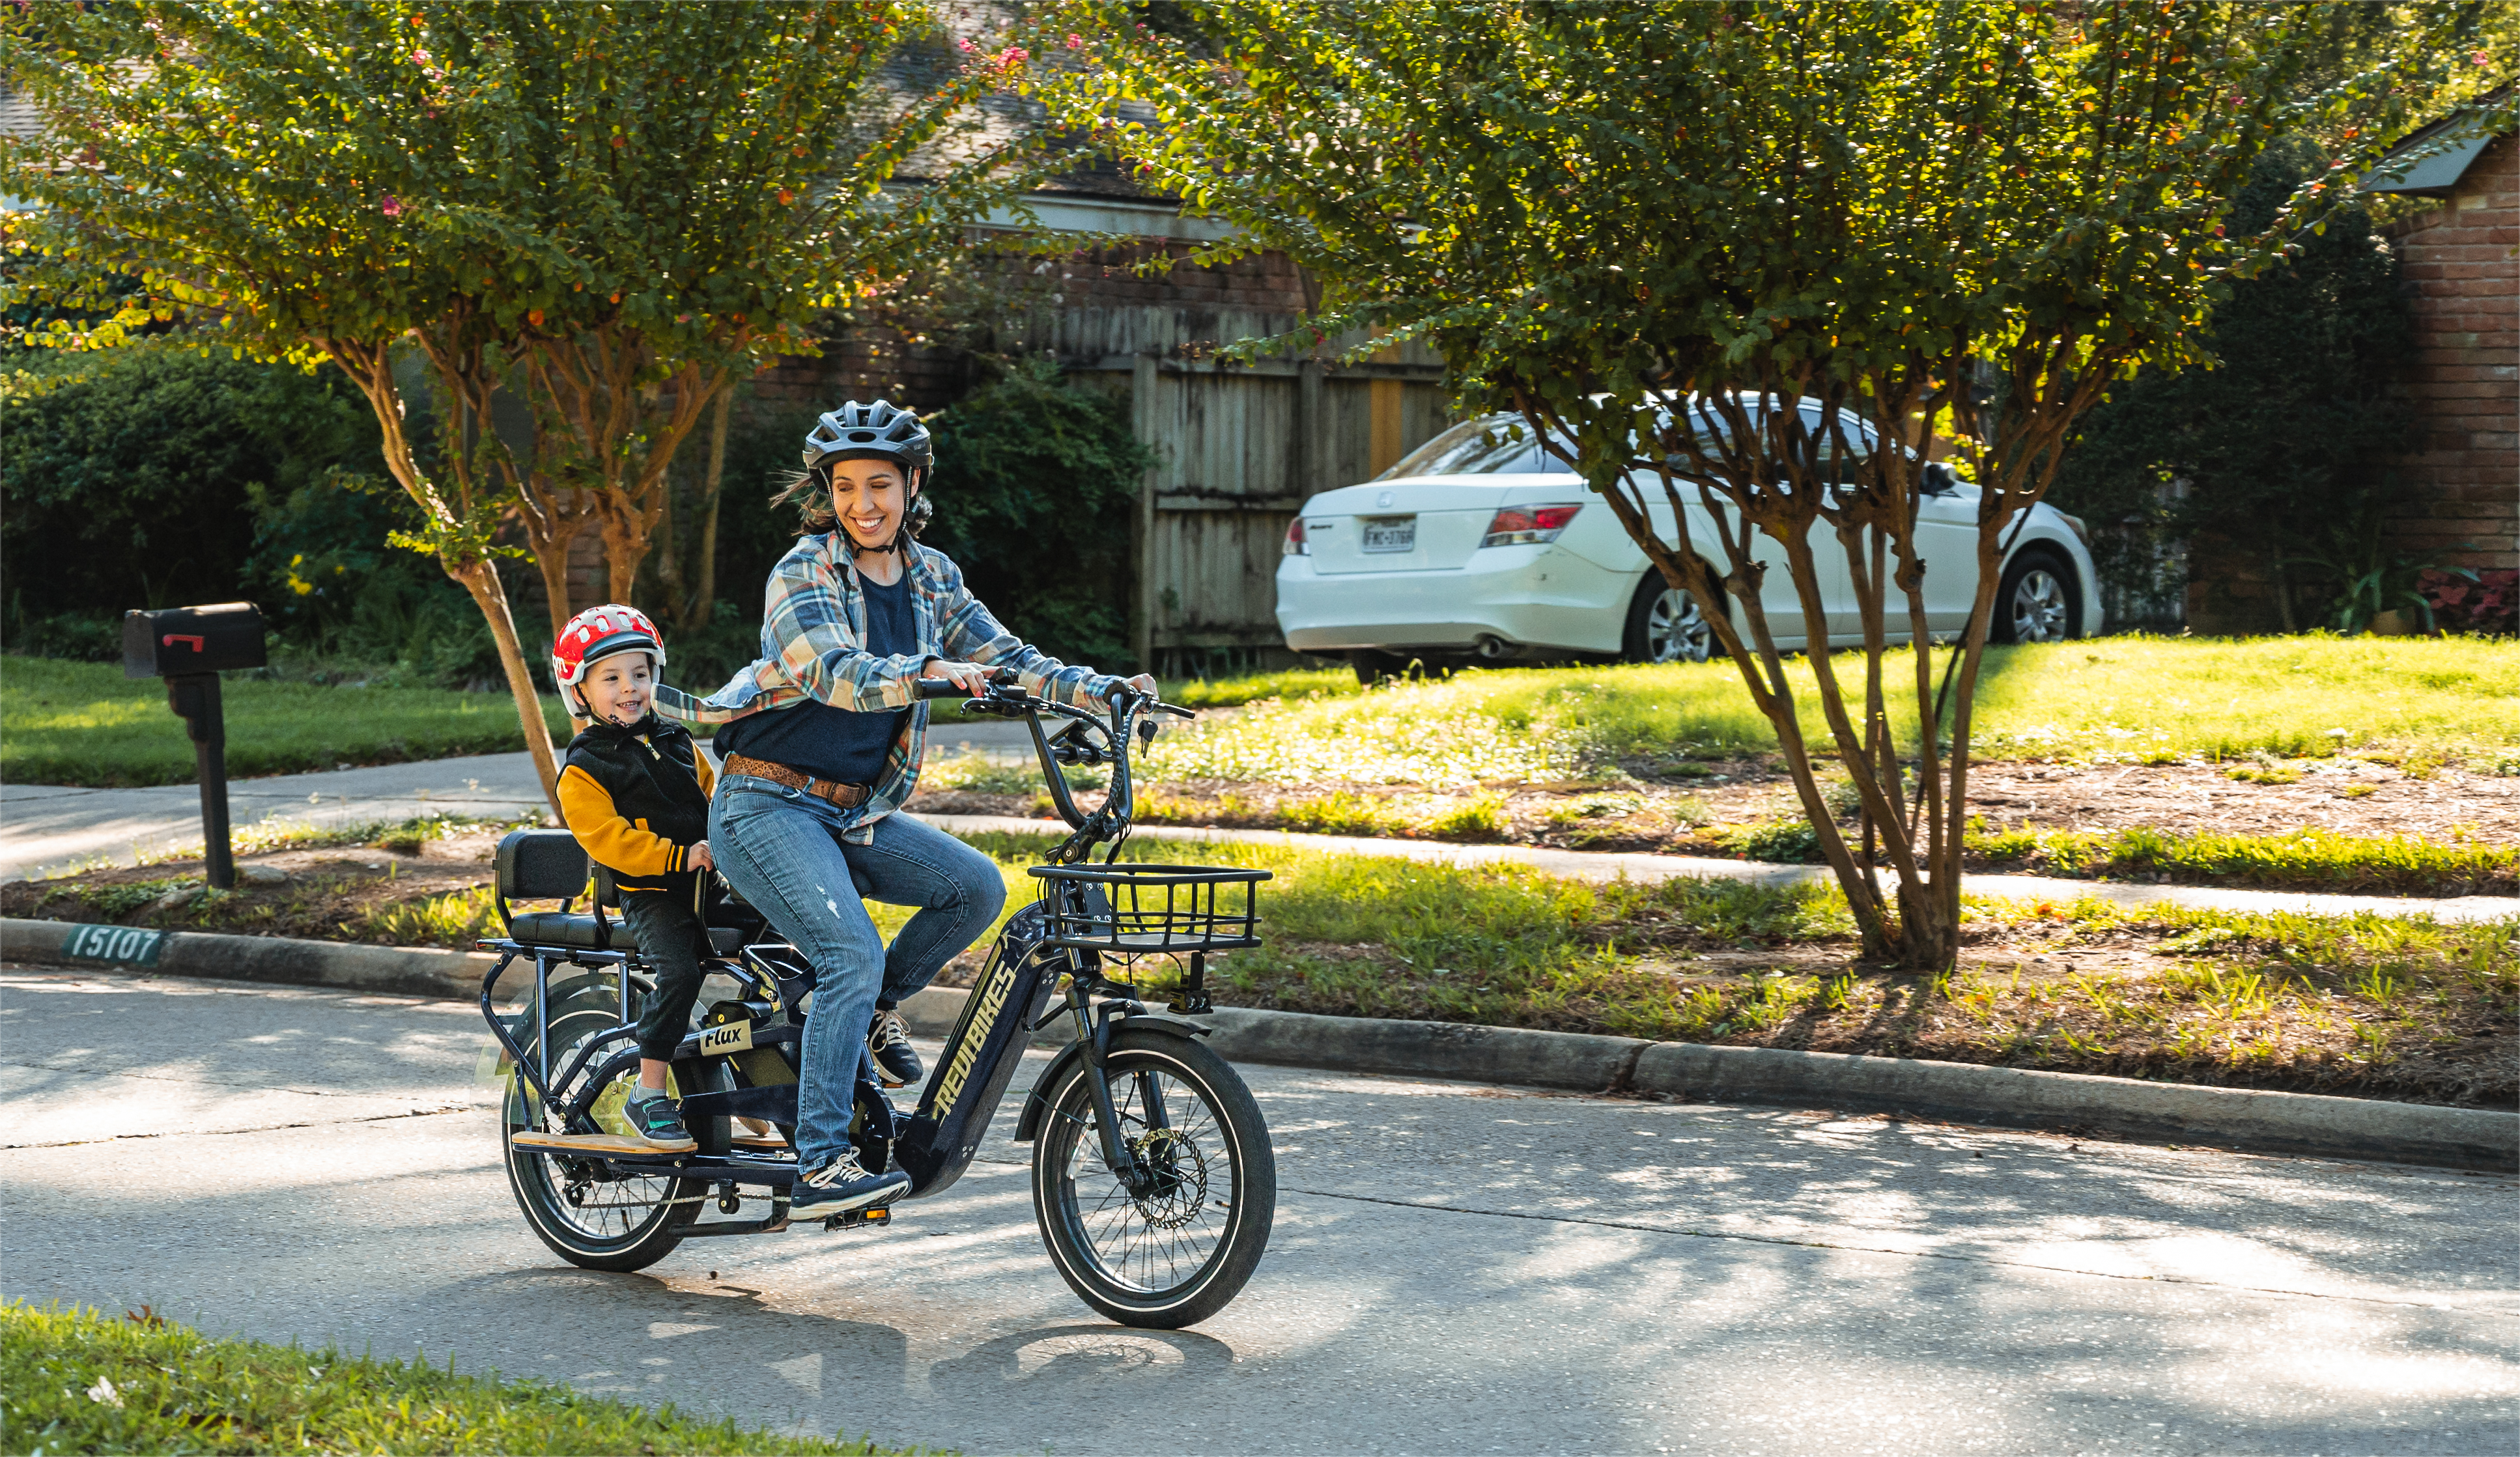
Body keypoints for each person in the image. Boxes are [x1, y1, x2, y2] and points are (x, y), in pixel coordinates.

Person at [653, 398, 1154, 1221]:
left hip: (852, 811)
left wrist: (1100, 689)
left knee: (977, 889)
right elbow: (830, 670)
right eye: (845, 486)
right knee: (848, 950)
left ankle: (859, 1016)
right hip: (763, 802)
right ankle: (820, 1161)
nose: (864, 503)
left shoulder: (932, 574)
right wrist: (926, 668)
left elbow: (1008, 658)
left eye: (879, 484)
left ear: (911, 483)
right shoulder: (803, 570)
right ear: (827, 493)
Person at [549, 604, 716, 1153]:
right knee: (679, 971)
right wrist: (678, 856)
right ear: (581, 691)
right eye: (612, 677)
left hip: (710, 881)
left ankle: (757, 1072)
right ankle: (648, 1092)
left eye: (640, 674)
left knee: (788, 950)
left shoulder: (677, 741)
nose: (630, 688)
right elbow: (609, 840)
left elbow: (720, 797)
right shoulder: (584, 768)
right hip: (652, 893)